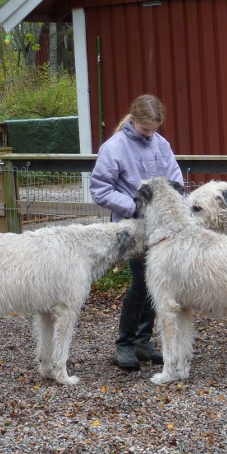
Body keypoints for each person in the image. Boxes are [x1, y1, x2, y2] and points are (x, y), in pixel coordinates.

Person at [89, 94, 184, 371]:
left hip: (160, 226)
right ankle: (125, 344)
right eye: (146, 129)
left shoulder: (160, 144)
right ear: (134, 120)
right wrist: (132, 207)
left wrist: (174, 201)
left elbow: (174, 176)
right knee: (142, 282)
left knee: (158, 282)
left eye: (154, 129)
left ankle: (143, 340)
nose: (150, 134)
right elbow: (100, 188)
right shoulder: (114, 147)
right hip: (133, 226)